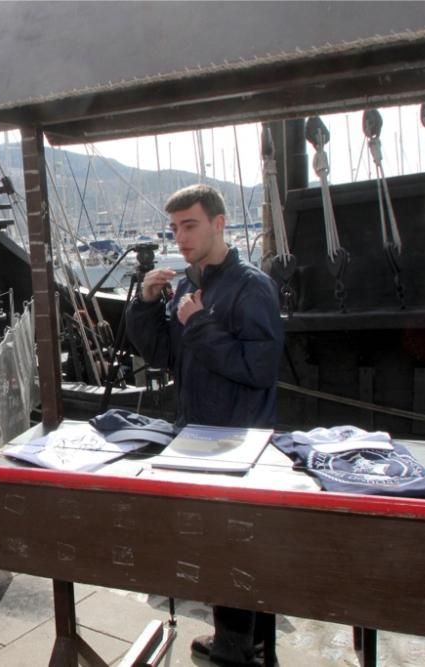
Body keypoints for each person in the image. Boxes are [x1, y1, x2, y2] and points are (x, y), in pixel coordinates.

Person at [125, 184, 283, 667]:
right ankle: (245, 643)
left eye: (189, 225)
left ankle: (242, 649)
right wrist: (148, 305)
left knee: (237, 549)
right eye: (174, 228)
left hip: (239, 442)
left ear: (219, 223)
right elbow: (166, 355)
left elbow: (258, 368)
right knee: (221, 547)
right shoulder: (197, 285)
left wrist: (199, 324)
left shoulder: (252, 286)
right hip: (200, 435)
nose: (180, 236)